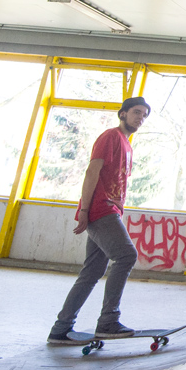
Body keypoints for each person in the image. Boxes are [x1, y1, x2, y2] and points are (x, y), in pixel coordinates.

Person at [47, 97, 150, 343]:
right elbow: (92, 171)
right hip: (100, 209)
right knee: (126, 256)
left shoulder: (127, 144)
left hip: (110, 209)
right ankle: (108, 321)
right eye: (136, 112)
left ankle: (61, 329)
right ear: (123, 113)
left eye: (144, 115)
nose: (140, 118)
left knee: (92, 271)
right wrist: (84, 210)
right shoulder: (110, 137)